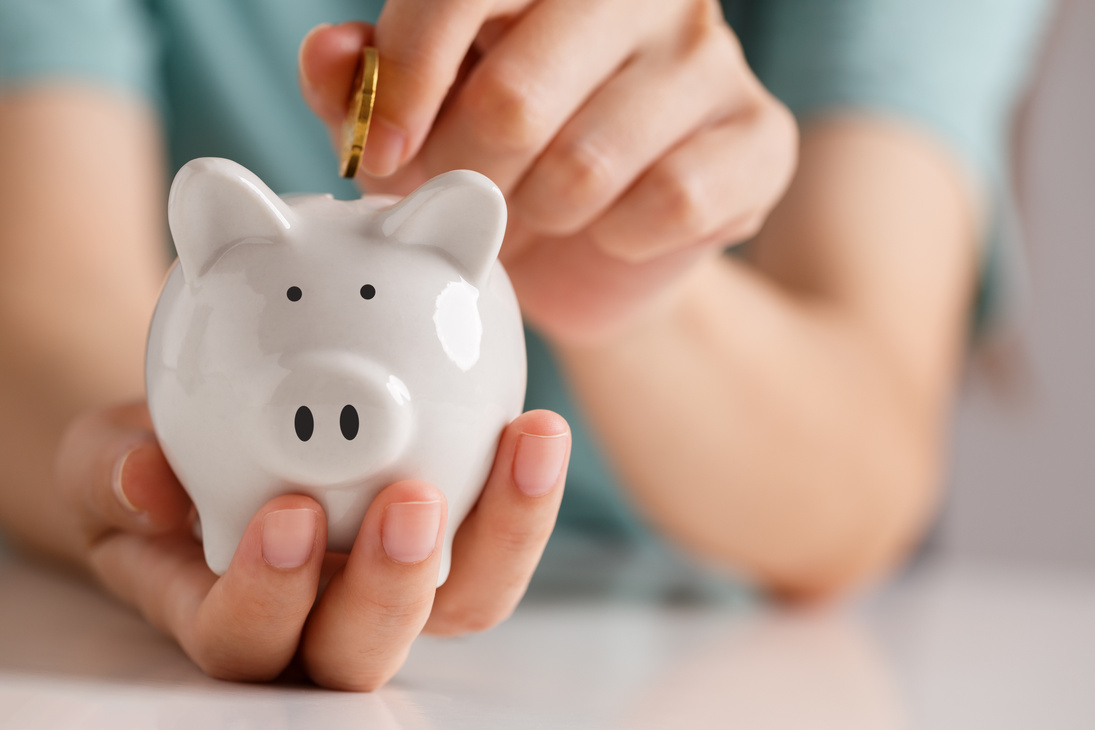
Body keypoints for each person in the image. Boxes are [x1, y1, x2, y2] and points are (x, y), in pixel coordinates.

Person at [0, 0, 1051, 690]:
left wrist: (624, 270)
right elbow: (47, 306)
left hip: (703, 659)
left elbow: (865, 451)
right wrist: (159, 482)